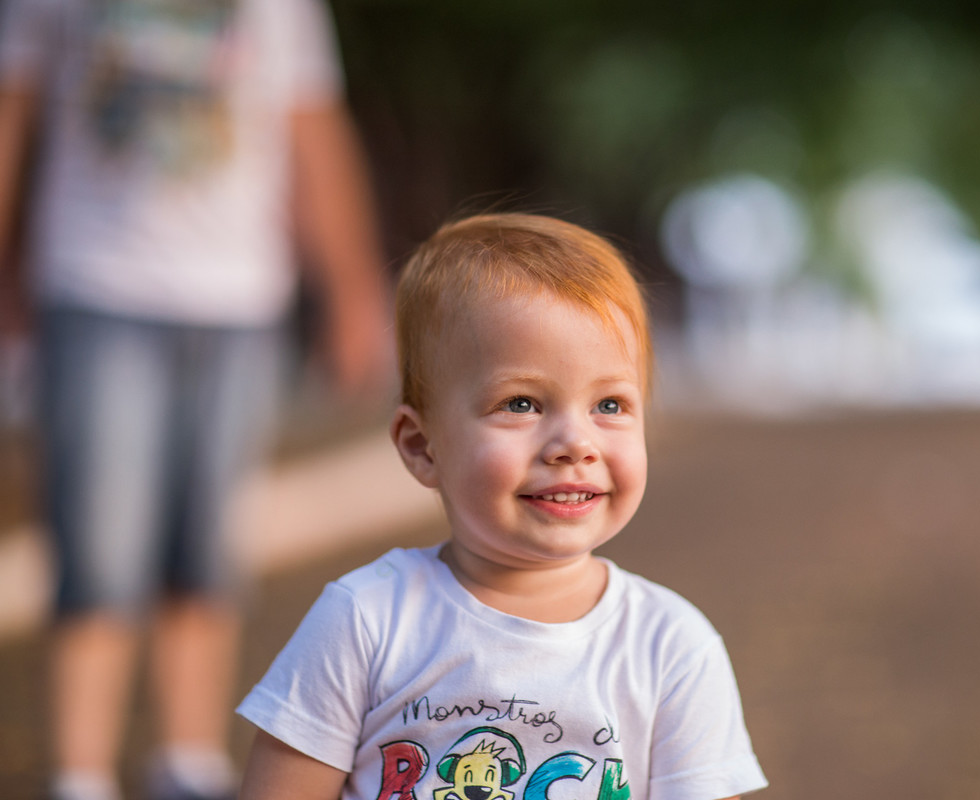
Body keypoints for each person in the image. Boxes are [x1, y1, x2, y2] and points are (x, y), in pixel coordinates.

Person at [236, 213, 769, 800]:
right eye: (521, 403)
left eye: (610, 405)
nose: (575, 444)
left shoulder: (671, 649)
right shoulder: (366, 621)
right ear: (421, 446)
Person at [0, 2, 390, 800]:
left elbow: (312, 128)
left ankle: (187, 759)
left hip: (240, 300)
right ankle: (81, 772)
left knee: (205, 546)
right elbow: (13, 111)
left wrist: (351, 289)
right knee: (97, 545)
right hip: (94, 285)